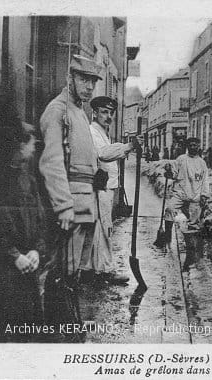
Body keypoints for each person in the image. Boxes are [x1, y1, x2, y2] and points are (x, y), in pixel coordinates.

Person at [0, 87, 48, 341]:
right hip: (4, 272)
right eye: (30, 145)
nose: (32, 151)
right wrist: (14, 256)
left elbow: (39, 222)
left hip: (28, 267)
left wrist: (36, 252)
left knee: (30, 327)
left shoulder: (29, 180)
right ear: (19, 145)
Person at [38, 54, 103, 280]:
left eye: (93, 81)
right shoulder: (58, 111)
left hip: (87, 204)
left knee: (75, 273)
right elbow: (52, 162)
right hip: (70, 208)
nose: (90, 86)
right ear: (69, 78)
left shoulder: (81, 114)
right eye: (84, 79)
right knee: (63, 274)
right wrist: (63, 205)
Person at [84, 96, 141, 286]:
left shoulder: (103, 133)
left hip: (107, 186)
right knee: (103, 228)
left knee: (101, 228)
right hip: (100, 187)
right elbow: (104, 153)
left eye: (111, 113)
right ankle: (104, 270)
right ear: (95, 113)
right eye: (104, 112)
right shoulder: (93, 131)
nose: (108, 116)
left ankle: (92, 269)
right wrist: (129, 146)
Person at [163, 137, 209, 254]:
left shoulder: (202, 163)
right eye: (191, 145)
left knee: (194, 220)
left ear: (199, 147)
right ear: (187, 147)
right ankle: (167, 236)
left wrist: (204, 195)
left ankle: (191, 246)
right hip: (180, 192)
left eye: (195, 145)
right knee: (169, 209)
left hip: (195, 195)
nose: (193, 147)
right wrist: (168, 172)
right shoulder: (181, 159)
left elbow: (205, 180)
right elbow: (173, 174)